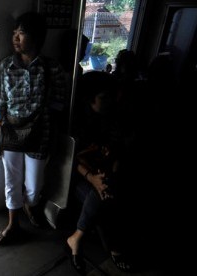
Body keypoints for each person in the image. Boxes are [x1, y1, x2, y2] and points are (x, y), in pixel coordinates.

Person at [0, 11, 69, 245]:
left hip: (41, 134)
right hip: (11, 133)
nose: (15, 38)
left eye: (22, 33)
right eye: (14, 33)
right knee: (11, 181)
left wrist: (55, 137)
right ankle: (13, 224)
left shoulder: (51, 68)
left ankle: (28, 204)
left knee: (34, 187)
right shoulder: (6, 66)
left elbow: (58, 105)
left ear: (36, 37)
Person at [67, 71, 132, 273]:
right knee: (103, 196)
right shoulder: (76, 122)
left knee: (107, 191)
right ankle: (114, 247)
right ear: (89, 99)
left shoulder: (112, 118)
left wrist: (108, 175)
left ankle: (77, 237)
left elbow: (117, 153)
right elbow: (71, 160)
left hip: (102, 173)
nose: (108, 102)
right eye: (103, 98)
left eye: (109, 97)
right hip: (78, 176)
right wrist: (92, 178)